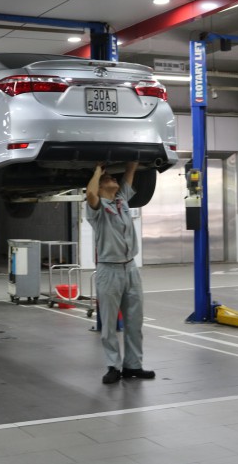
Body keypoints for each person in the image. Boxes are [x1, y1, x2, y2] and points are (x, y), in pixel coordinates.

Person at [86, 161, 155, 385]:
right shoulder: (97, 209)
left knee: (134, 321)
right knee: (108, 323)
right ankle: (113, 366)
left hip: (130, 268)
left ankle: (133, 365)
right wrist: (98, 171)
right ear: (100, 187)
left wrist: (133, 163)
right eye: (109, 179)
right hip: (109, 270)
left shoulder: (121, 201)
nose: (114, 179)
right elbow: (90, 194)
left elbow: (128, 177)